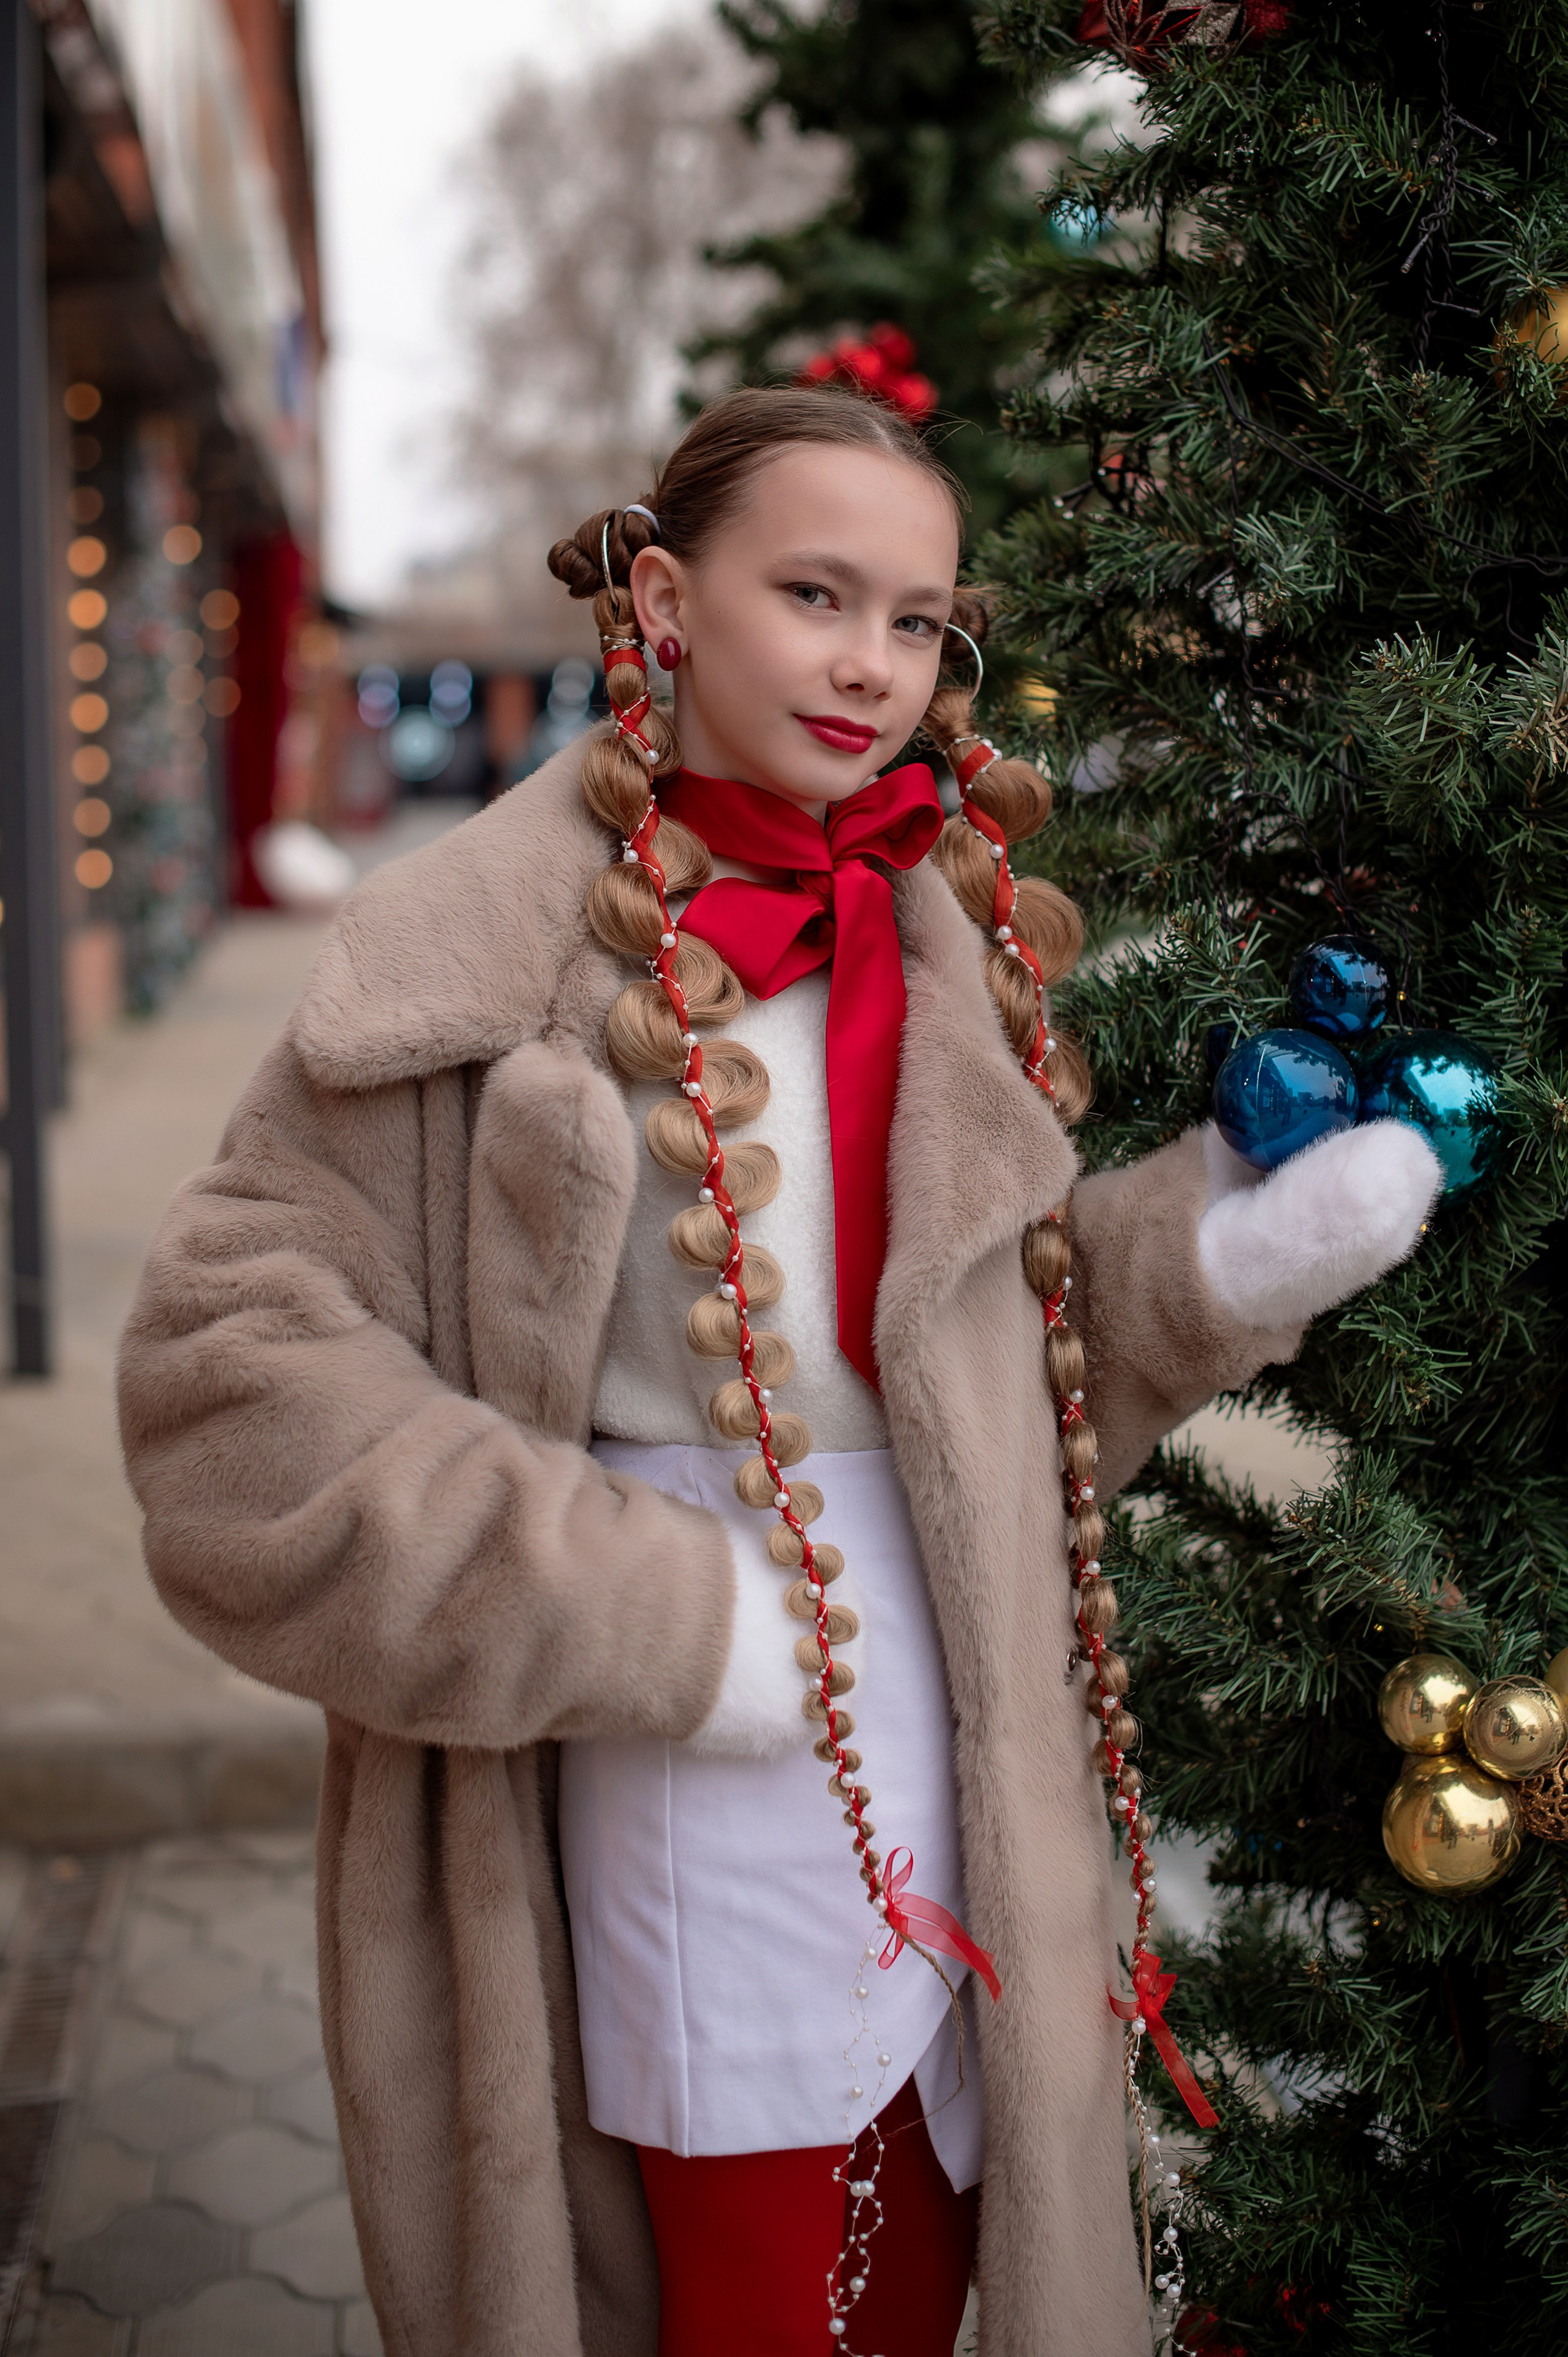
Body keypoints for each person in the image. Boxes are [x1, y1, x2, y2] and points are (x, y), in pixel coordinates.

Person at [118, 385, 1441, 2357]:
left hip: (972, 1728)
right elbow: (225, 1389)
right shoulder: (467, 955)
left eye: (916, 622)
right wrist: (659, 1616)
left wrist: (1226, 1259)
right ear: (662, 597)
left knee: (935, 2250)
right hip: (691, 1755)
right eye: (814, 593)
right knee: (750, 2280)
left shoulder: (939, 942)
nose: (868, 666)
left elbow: (1016, 1357)